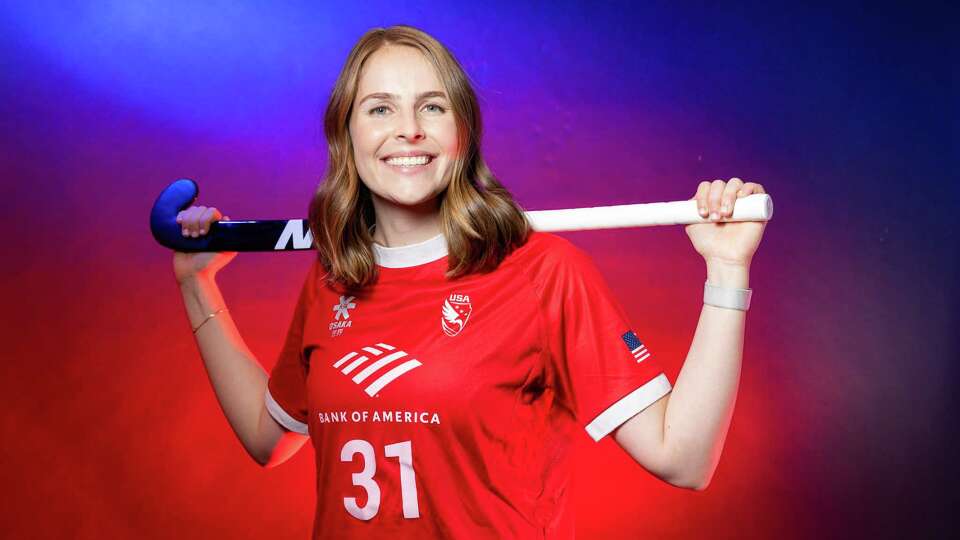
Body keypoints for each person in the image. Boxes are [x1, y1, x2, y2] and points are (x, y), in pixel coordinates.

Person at [173, 25, 768, 539]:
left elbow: (683, 459)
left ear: (462, 132)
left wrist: (726, 269)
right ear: (346, 136)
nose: (408, 129)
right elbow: (266, 438)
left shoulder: (543, 273)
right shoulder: (334, 278)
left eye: (432, 106)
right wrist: (198, 285)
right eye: (380, 108)